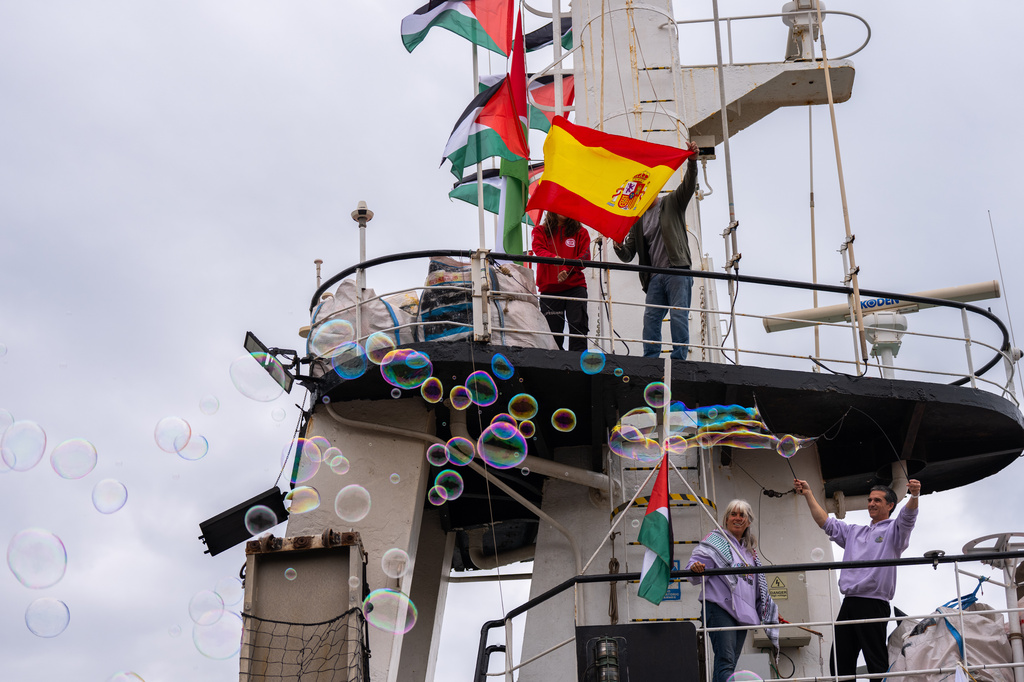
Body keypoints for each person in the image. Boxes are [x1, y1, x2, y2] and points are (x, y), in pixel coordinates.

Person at [793, 477, 921, 679]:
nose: (871, 503)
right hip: (850, 603)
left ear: (890, 505)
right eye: (870, 500)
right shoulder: (854, 531)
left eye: (877, 500)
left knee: (875, 660)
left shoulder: (894, 531)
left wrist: (914, 495)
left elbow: (908, 517)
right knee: (839, 661)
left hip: (874, 603)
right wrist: (808, 493)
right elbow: (825, 522)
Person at [612, 140, 699, 360]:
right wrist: (617, 245)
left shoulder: (672, 202)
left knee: (679, 315)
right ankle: (650, 357)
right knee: (650, 318)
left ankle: (679, 358)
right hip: (655, 277)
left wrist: (692, 161)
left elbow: (688, 185)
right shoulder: (637, 220)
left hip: (678, 271)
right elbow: (628, 254)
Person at [687, 500, 779, 682]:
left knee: (728, 663)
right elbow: (694, 568)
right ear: (726, 519)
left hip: (744, 613)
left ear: (748, 521)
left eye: (742, 515)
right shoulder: (716, 540)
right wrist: (695, 567)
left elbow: (756, 586)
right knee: (726, 662)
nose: (737, 518)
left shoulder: (750, 552)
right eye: (733, 514)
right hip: (720, 608)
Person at [531, 212, 591, 351]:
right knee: (553, 334)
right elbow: (539, 250)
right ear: (551, 209)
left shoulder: (581, 232)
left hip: (575, 286)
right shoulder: (540, 230)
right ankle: (554, 369)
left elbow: (585, 256)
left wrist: (566, 268)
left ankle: (578, 366)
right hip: (549, 288)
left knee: (578, 328)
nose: (563, 210)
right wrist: (556, 260)